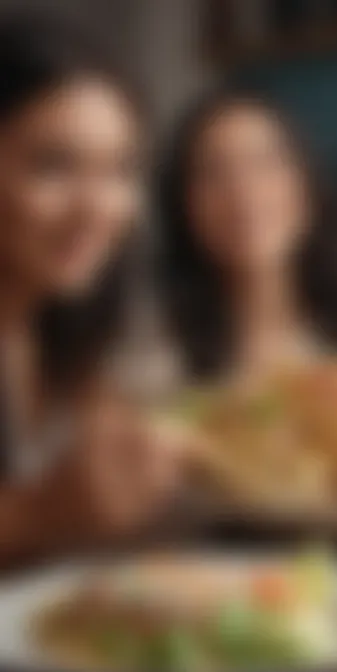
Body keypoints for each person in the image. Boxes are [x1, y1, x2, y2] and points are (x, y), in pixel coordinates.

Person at [0, 15, 180, 564]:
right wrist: (37, 514)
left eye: (118, 170)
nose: (97, 209)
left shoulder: (56, 319)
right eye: (53, 166)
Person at [158, 90, 337, 382]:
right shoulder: (155, 361)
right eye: (214, 173)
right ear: (184, 206)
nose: (243, 192)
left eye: (265, 163)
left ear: (307, 185)